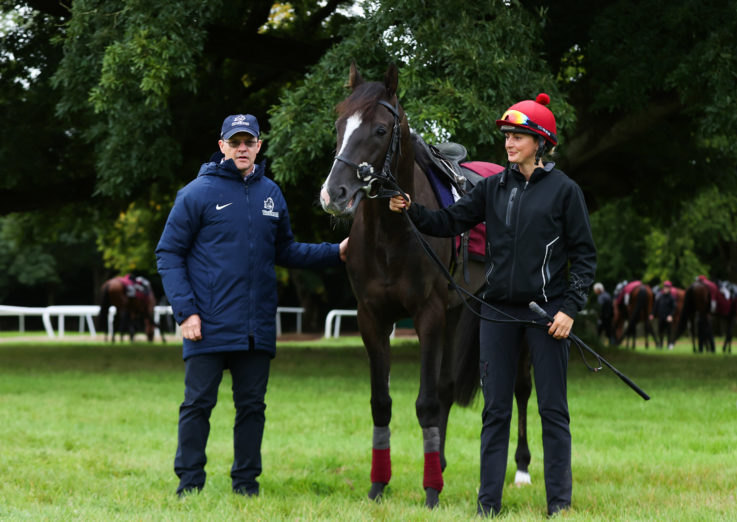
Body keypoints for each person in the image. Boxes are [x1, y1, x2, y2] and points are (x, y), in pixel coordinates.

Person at [390, 94, 596, 517]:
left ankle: (559, 503)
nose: (509, 143)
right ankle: (489, 505)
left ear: (540, 142)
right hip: (496, 313)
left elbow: (585, 256)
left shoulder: (565, 192)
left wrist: (570, 308)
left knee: (552, 411)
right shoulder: (492, 188)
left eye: (518, 136)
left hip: (547, 316)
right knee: (495, 411)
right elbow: (449, 222)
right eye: (507, 135)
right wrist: (411, 211)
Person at [155, 113, 348, 498]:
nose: (243, 148)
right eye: (235, 142)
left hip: (255, 327)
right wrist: (186, 312)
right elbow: (169, 253)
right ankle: (189, 485)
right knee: (197, 405)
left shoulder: (271, 194)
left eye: (249, 142)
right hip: (205, 323)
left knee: (252, 408)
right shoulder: (195, 193)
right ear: (223, 145)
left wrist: (337, 252)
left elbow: (286, 250)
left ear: (259, 146)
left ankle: (246, 485)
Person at [651, 281, 676, 349]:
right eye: (665, 287)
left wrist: (671, 315)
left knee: (669, 331)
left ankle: (669, 344)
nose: (666, 289)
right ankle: (661, 344)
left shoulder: (672, 298)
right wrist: (652, 314)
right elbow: (655, 306)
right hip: (661, 316)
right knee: (660, 331)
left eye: (667, 288)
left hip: (668, 317)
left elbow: (674, 308)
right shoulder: (660, 296)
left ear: (669, 288)